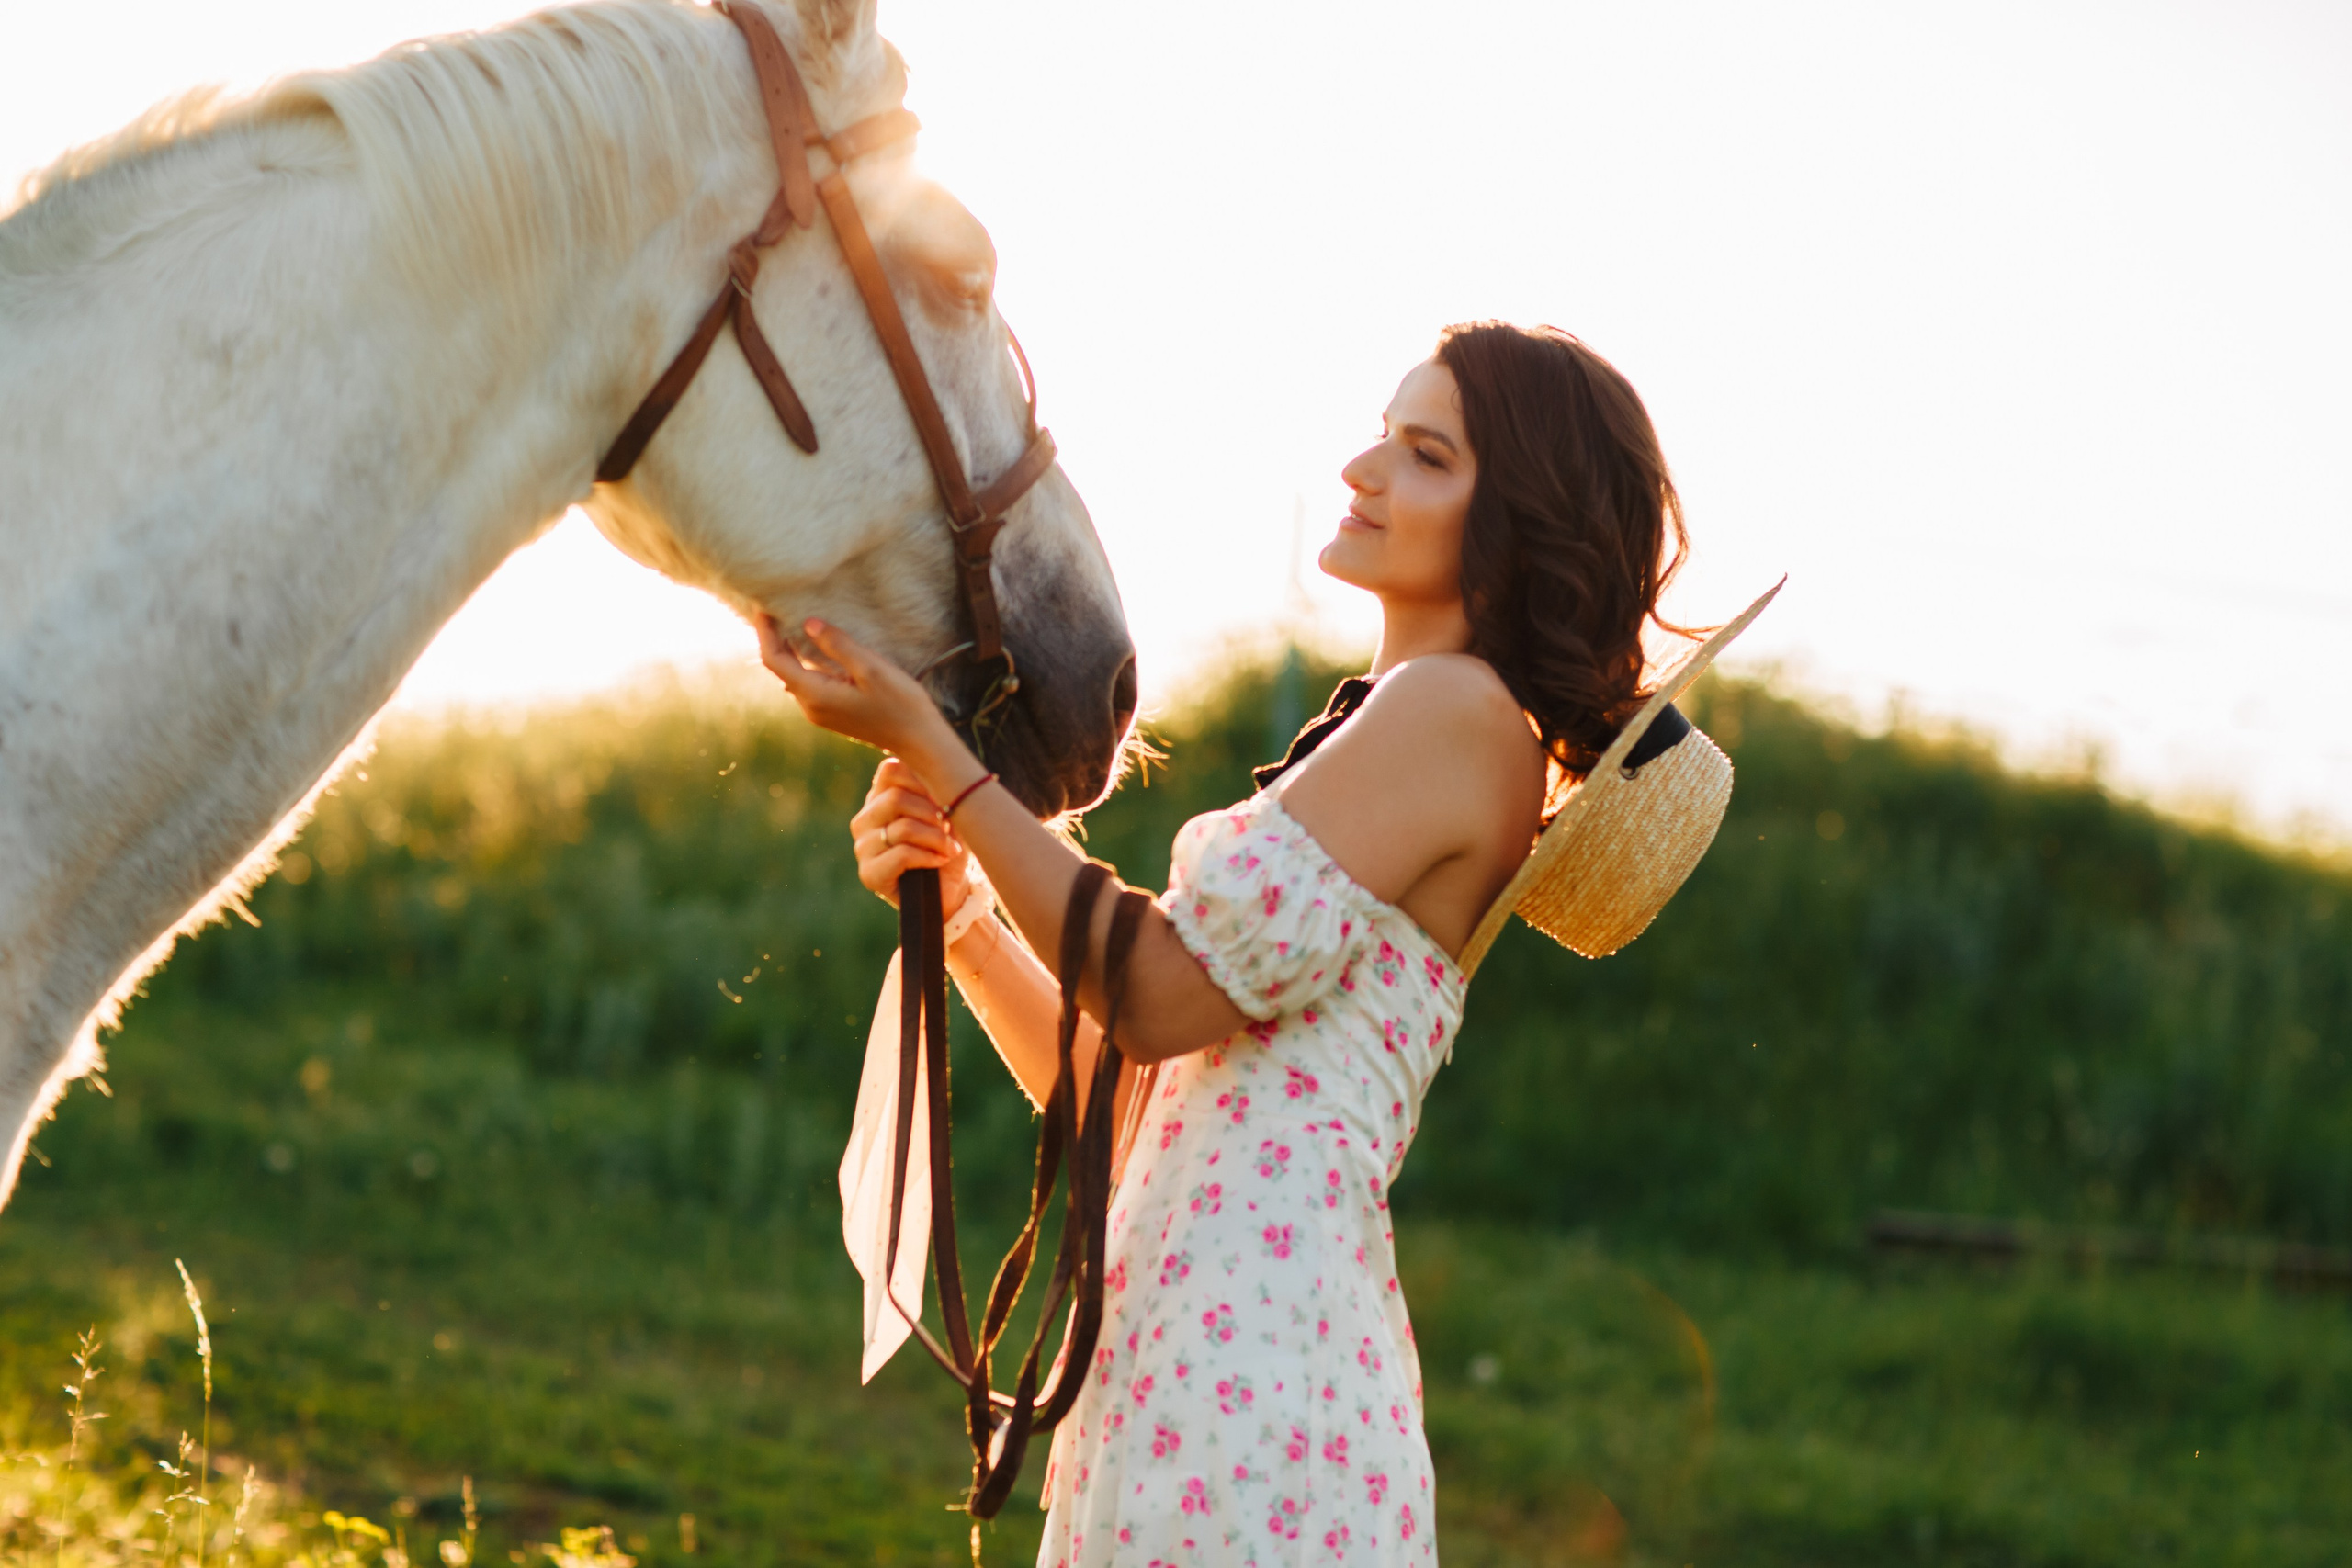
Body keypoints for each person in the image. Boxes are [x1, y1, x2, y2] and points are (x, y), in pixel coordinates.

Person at [756, 321, 1691, 1566]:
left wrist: (948, 761)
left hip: (1255, 1370)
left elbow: (1147, 988)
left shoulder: (1458, 715)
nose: (1363, 471)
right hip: (1193, 1352)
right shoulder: (1394, 730)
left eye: (1423, 456)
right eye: (1384, 434)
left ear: (1515, 520)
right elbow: (1137, 1093)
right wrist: (970, 913)